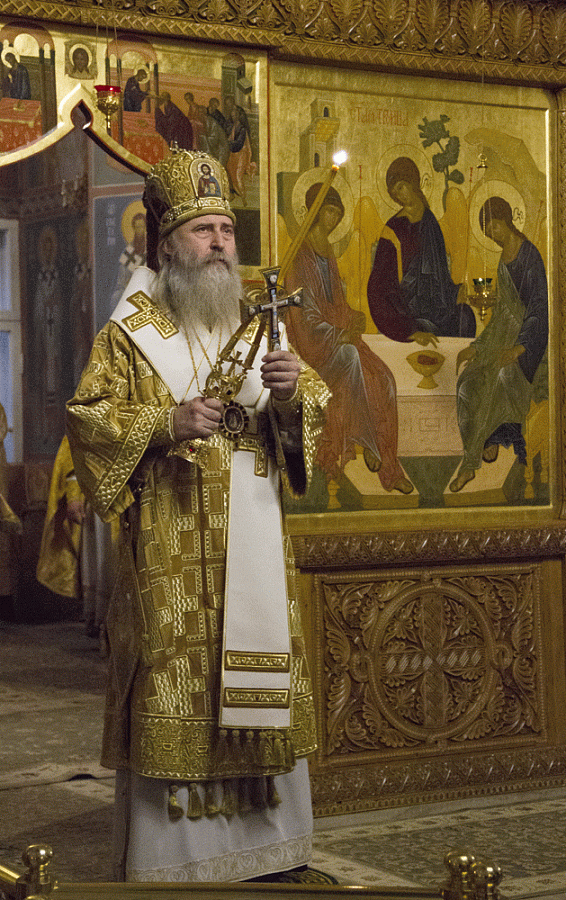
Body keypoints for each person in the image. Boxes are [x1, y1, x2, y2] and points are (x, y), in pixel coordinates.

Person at [66, 148, 330, 883]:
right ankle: (175, 860)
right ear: (167, 244)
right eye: (202, 229)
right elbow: (88, 421)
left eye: (226, 230)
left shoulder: (260, 326)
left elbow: (303, 429)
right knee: (173, 679)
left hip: (254, 542)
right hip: (169, 550)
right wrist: (164, 423)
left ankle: (270, 848)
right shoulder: (129, 334)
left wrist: (291, 393)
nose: (219, 243)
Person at [285, 184, 413, 494]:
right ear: (316, 212)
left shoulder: (326, 252)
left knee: (384, 378)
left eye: (337, 214)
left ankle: (388, 461)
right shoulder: (299, 256)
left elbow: (334, 306)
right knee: (352, 357)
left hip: (334, 341)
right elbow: (303, 318)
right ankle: (371, 446)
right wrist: (336, 334)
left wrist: (353, 317)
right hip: (310, 351)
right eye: (328, 212)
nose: (332, 219)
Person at [449, 196, 548, 492]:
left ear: (506, 221)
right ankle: (485, 438)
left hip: (531, 347)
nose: (492, 234)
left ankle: (470, 464)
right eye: (487, 231)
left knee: (501, 378)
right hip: (503, 339)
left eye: (494, 227)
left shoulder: (530, 256)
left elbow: (539, 309)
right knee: (467, 382)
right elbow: (502, 313)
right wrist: (478, 347)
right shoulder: (503, 261)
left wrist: (519, 348)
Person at [367, 156, 476, 342]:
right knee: (425, 328)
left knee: (465, 318)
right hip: (407, 312)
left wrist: (454, 292)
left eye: (401, 187)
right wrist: (407, 329)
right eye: (394, 193)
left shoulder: (430, 221)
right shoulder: (392, 229)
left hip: (435, 308)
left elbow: (440, 275)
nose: (399, 196)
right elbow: (379, 286)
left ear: (413, 183)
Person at [36, 435, 116, 644]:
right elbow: (74, 450)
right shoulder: (89, 413)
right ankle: (100, 621)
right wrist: (73, 495)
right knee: (101, 558)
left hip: (137, 490)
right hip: (98, 492)